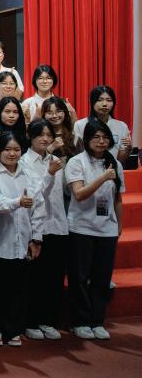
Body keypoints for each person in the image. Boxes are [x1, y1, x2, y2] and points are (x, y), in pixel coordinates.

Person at [0, 130, 46, 348]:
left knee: (18, 289)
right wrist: (17, 202)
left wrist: (36, 239)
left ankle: (13, 329)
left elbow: (39, 209)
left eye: (16, 149)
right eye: (7, 149)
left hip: (22, 241)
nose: (12, 154)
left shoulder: (30, 175)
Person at [65, 119, 123, 340]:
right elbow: (79, 194)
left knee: (102, 277)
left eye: (105, 137)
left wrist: (119, 225)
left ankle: (97, 321)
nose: (101, 141)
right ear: (87, 140)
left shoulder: (114, 164)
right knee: (79, 277)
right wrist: (103, 177)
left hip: (107, 229)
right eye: (96, 137)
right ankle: (79, 321)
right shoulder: (76, 162)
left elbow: (118, 198)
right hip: (81, 227)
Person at [21, 120, 69, 341]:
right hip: (36, 227)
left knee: (54, 278)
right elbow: (35, 196)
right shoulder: (24, 162)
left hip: (58, 225)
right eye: (40, 134)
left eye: (49, 135)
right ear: (30, 136)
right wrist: (49, 174)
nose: (45, 138)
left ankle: (48, 321)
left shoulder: (56, 160)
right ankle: (31, 321)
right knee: (35, 279)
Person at [74, 85, 133, 162]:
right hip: (87, 168)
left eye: (109, 100)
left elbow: (120, 159)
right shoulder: (80, 124)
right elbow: (77, 153)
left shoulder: (121, 126)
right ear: (92, 102)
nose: (105, 104)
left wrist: (128, 149)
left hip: (112, 167)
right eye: (100, 100)